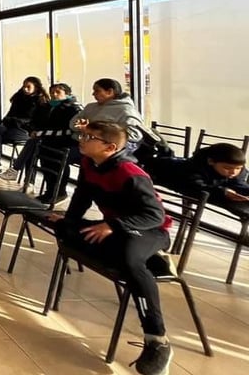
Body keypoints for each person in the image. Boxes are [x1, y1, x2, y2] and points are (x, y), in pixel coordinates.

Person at [46, 121, 174, 375]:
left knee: (128, 259)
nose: (81, 140)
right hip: (116, 229)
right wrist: (69, 221)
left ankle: (157, 340)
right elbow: (82, 197)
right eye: (82, 135)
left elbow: (155, 216)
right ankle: (145, 258)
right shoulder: (89, 164)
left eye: (89, 137)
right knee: (64, 230)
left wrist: (113, 225)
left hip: (150, 230)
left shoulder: (129, 172)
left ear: (110, 147)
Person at [6, 83, 82, 203]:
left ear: (67, 94)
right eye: (52, 92)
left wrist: (41, 133)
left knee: (40, 147)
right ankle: (49, 190)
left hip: (65, 142)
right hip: (48, 139)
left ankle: (58, 192)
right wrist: (33, 130)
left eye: (58, 92)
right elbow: (36, 122)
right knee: (37, 148)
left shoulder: (73, 108)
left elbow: (69, 131)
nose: (54, 95)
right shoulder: (47, 106)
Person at [149, 143, 249, 219]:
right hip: (159, 172)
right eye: (227, 168)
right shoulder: (194, 168)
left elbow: (238, 184)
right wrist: (223, 192)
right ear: (211, 161)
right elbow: (196, 187)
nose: (233, 172)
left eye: (238, 168)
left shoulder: (237, 170)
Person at [0, 76, 48, 176]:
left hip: (27, 130)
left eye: (28, 87)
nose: (25, 89)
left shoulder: (40, 101)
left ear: (36, 88)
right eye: (24, 86)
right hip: (12, 126)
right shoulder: (18, 97)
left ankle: (24, 177)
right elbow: (9, 114)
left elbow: (33, 121)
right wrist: (9, 120)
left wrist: (15, 121)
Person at [70, 78, 145, 148]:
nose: (93, 94)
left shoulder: (126, 110)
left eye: (97, 91)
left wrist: (93, 131)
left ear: (109, 92)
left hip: (105, 150)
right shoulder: (90, 107)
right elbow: (73, 124)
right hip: (79, 144)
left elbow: (134, 135)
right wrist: (80, 125)